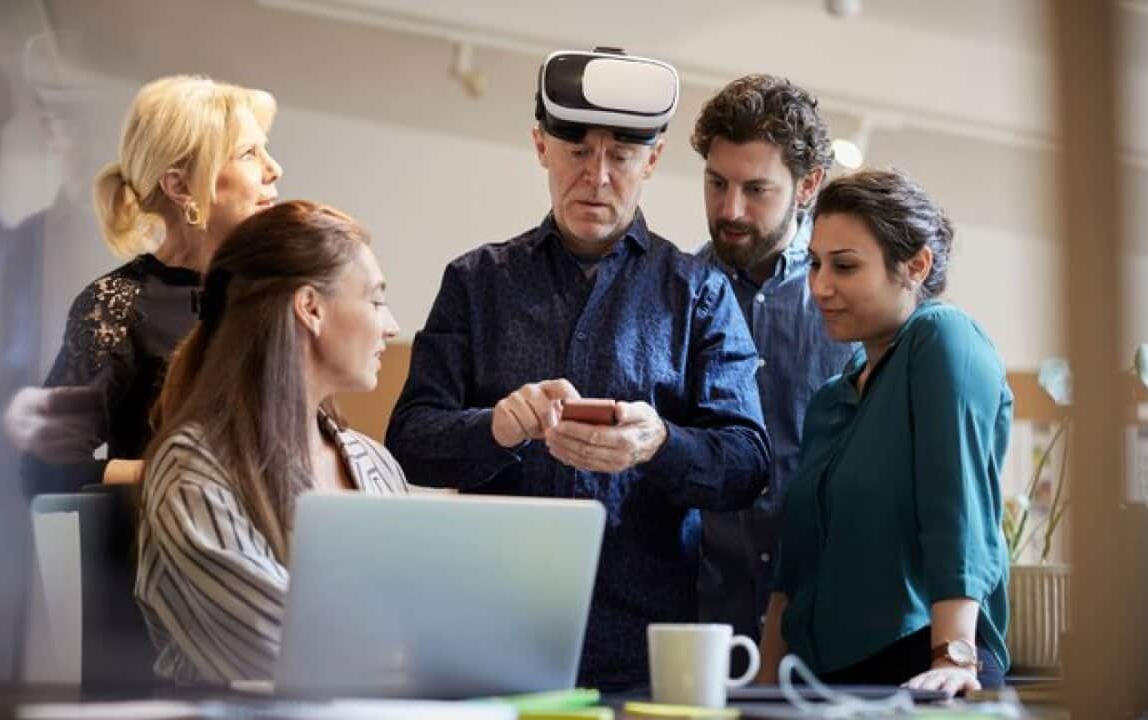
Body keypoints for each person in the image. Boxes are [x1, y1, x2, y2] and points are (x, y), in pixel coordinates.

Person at [385, 48, 770, 690]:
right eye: (577, 152)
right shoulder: (475, 283)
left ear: (652, 160)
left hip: (645, 651)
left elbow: (747, 464)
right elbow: (408, 443)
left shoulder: (698, 293)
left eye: (620, 156)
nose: (596, 177)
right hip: (489, 636)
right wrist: (497, 428)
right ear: (541, 146)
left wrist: (660, 443)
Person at [757, 169, 1011, 694]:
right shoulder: (831, 397)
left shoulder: (942, 339)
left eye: (845, 266)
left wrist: (954, 660)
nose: (820, 287)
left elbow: (956, 506)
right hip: (820, 680)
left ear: (916, 265)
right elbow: (794, 569)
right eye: (815, 264)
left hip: (921, 663)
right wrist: (758, 688)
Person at [136, 200, 408, 685]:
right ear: (310, 308)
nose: (391, 326)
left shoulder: (376, 462)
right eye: (376, 299)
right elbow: (285, 654)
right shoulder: (192, 473)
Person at [8, 74, 283, 494]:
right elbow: (42, 468)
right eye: (249, 153)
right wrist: (179, 477)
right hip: (157, 551)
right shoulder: (115, 305)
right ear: (179, 186)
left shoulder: (272, 295)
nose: (273, 168)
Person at [690, 75, 857, 648]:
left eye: (756, 190)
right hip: (703, 617)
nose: (729, 209)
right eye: (716, 183)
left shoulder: (855, 303)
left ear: (808, 185)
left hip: (830, 620)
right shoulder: (676, 296)